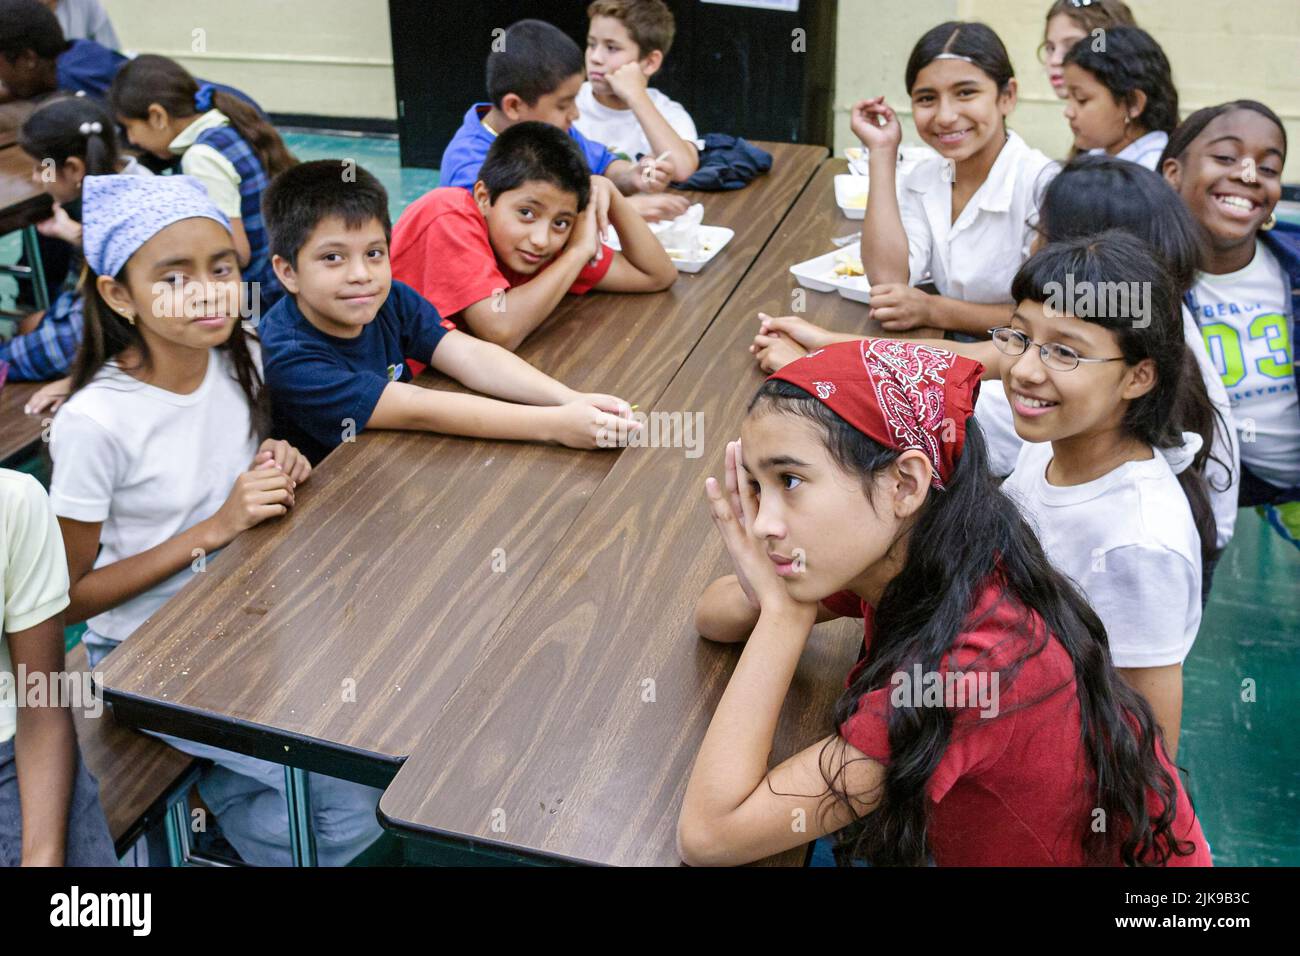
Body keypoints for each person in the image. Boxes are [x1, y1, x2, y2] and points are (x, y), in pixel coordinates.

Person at [680, 337, 1210, 866]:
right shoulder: (921, 546)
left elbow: (709, 835)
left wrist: (783, 613)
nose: (765, 522)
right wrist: (778, 594)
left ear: (904, 484)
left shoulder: (969, 669)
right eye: (755, 487)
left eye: (790, 481)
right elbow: (715, 616)